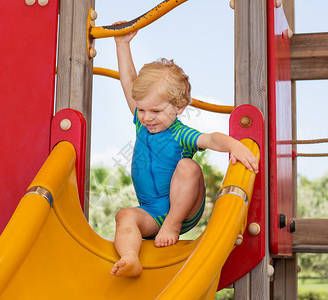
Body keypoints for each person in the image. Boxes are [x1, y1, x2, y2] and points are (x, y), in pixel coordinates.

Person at [110, 26, 259, 278]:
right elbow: (128, 81)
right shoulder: (141, 122)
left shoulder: (181, 134)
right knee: (124, 215)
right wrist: (122, 44)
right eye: (142, 110)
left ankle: (173, 224)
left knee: (188, 167)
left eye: (155, 111)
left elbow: (211, 138)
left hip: (181, 209)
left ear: (178, 107)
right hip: (152, 212)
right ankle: (130, 257)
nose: (146, 117)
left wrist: (234, 145)